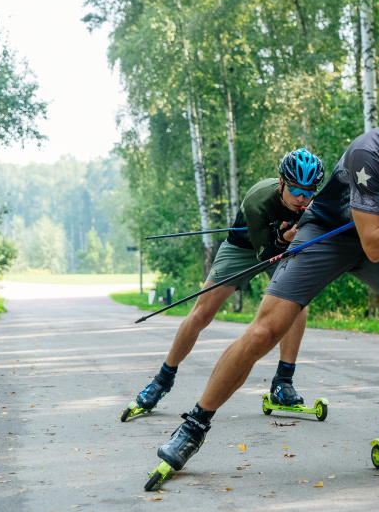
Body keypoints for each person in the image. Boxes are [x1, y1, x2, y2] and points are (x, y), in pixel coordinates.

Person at [154, 93, 379, 472]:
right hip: (329, 233)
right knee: (266, 330)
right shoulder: (369, 154)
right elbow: (373, 245)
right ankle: (194, 425)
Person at [123, 149, 326, 421]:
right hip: (244, 248)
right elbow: (265, 254)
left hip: (284, 247)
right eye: (295, 189)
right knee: (201, 313)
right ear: (281, 183)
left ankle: (283, 383)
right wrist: (282, 237)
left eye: (308, 191)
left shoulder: (311, 202)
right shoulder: (258, 201)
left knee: (298, 304)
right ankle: (162, 380)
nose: (301, 197)